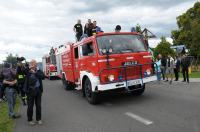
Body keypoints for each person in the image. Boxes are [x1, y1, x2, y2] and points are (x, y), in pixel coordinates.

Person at [23, 59, 45, 125]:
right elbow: (23, 71)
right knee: (30, 106)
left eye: (34, 63)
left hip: (38, 90)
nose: (33, 65)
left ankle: (39, 119)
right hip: (30, 91)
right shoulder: (28, 71)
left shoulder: (38, 70)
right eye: (31, 63)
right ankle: (30, 119)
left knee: (38, 106)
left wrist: (35, 72)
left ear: (36, 64)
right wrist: (29, 68)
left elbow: (43, 77)